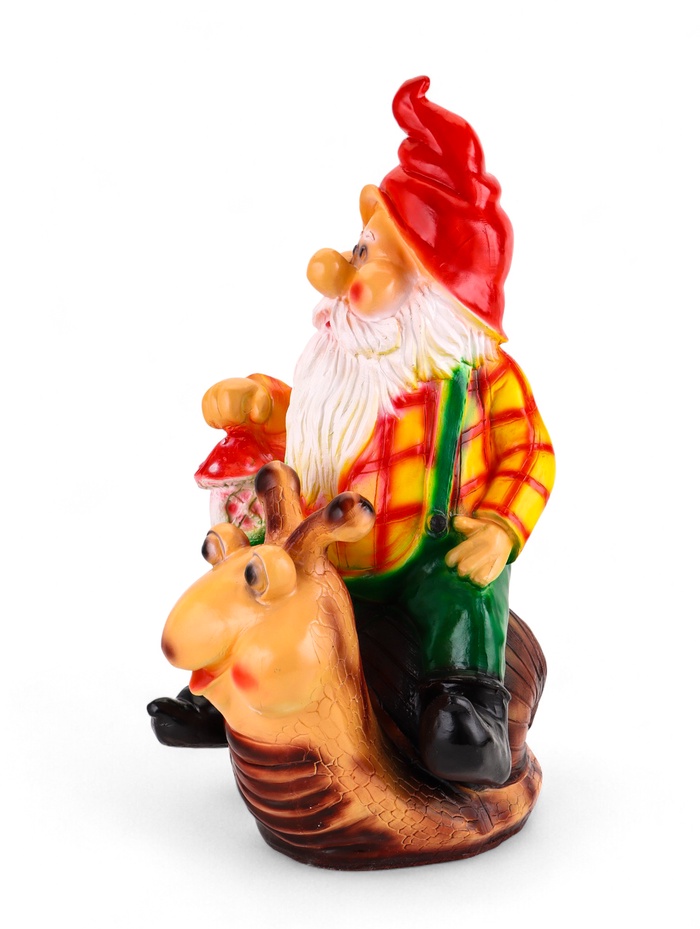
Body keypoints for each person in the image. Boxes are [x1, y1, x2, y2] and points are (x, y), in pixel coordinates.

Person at [149, 76, 554, 787]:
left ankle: (467, 711)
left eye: (367, 255)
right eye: (357, 245)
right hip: (320, 547)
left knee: (462, 594)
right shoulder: (343, 357)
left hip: (419, 554)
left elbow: (531, 453)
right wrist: (261, 407)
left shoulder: (481, 378)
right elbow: (313, 425)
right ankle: (222, 695)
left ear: (431, 291)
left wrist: (499, 527)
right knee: (253, 570)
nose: (336, 270)